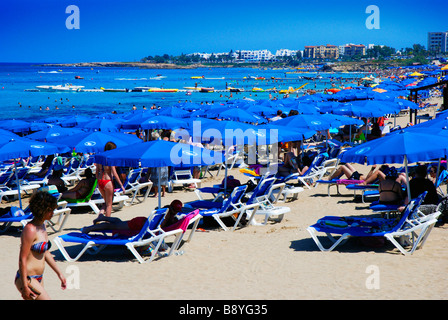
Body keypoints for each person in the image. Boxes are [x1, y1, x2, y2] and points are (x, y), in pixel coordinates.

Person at [15, 191, 67, 300]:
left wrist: (59, 274)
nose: (53, 212)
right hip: (27, 278)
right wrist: (25, 286)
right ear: (42, 210)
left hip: (39, 278)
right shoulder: (30, 229)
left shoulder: (42, 226)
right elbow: (22, 259)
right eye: (51, 210)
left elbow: (45, 252)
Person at [81, 200, 184, 236]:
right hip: (139, 224)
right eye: (175, 211)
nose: (175, 214)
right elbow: (160, 227)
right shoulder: (166, 216)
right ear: (172, 209)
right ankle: (89, 229)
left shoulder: (166, 212)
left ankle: (102, 217)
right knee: (113, 226)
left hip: (142, 222)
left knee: (118, 223)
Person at [95, 142, 125, 217]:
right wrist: (121, 185)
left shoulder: (99, 157)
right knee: (109, 205)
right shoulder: (110, 158)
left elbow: (97, 172)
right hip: (107, 181)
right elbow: (115, 173)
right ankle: (107, 222)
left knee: (106, 203)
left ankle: (99, 217)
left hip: (100, 181)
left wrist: (96, 183)